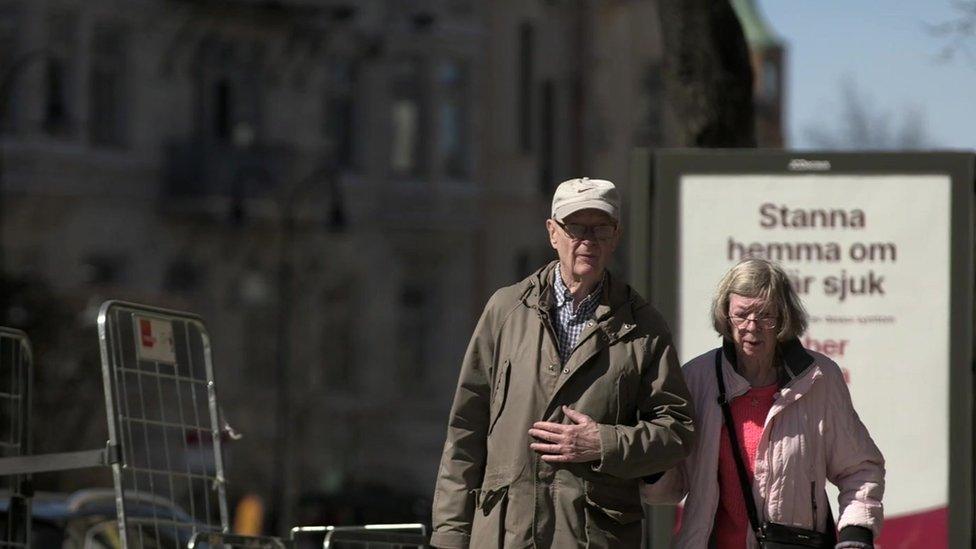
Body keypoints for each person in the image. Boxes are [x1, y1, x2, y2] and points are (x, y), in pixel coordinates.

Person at [430, 177, 696, 548]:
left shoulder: (644, 326)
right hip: (506, 535)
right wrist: (449, 536)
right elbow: (465, 432)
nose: (587, 240)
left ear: (615, 236)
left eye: (600, 228)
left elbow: (676, 432)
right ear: (552, 233)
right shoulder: (505, 310)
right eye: (575, 227)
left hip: (592, 536)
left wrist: (603, 443)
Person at [643, 258, 885, 548]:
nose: (752, 327)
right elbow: (672, 488)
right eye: (742, 315)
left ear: (784, 318)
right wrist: (650, 458)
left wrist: (856, 537)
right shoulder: (698, 378)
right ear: (725, 315)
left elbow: (859, 469)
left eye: (765, 315)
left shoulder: (820, 378)